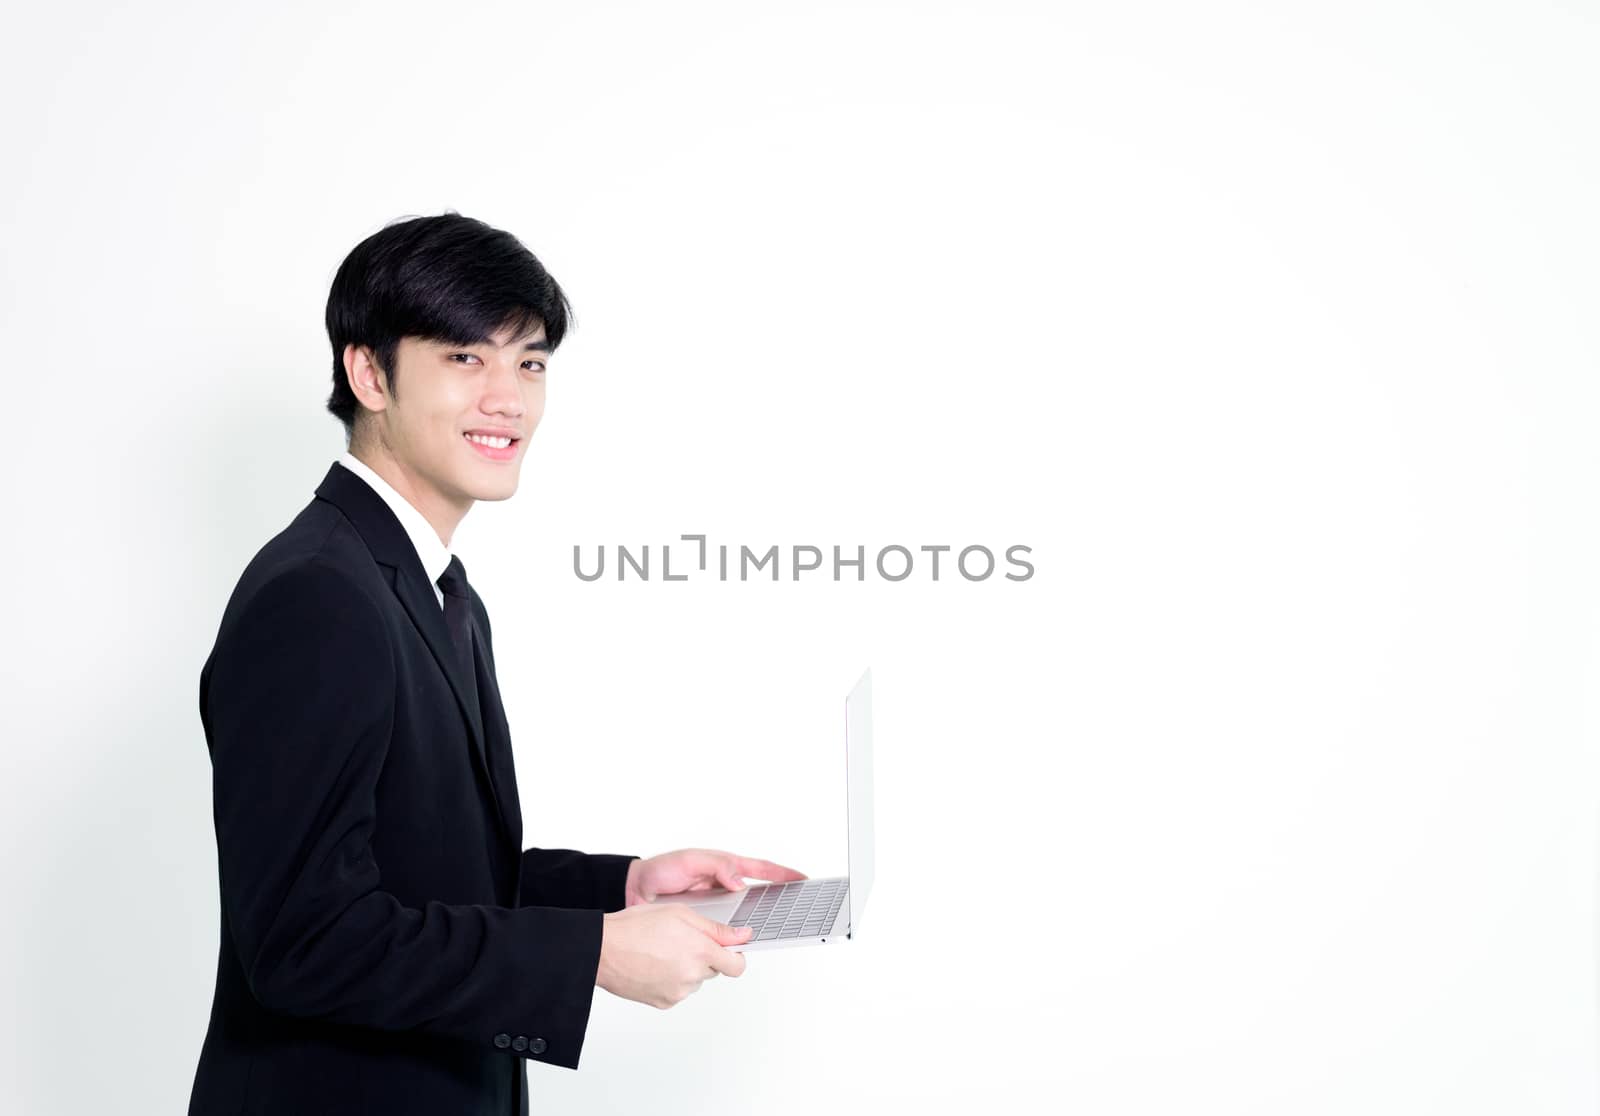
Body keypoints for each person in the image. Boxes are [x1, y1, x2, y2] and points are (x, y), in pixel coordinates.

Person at [187, 212, 806, 1115]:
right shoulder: (318, 597)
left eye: (530, 362)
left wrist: (620, 890)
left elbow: (424, 877)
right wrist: (589, 957)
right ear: (369, 374)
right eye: (465, 359)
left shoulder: (434, 588)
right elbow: (304, 939)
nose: (509, 398)